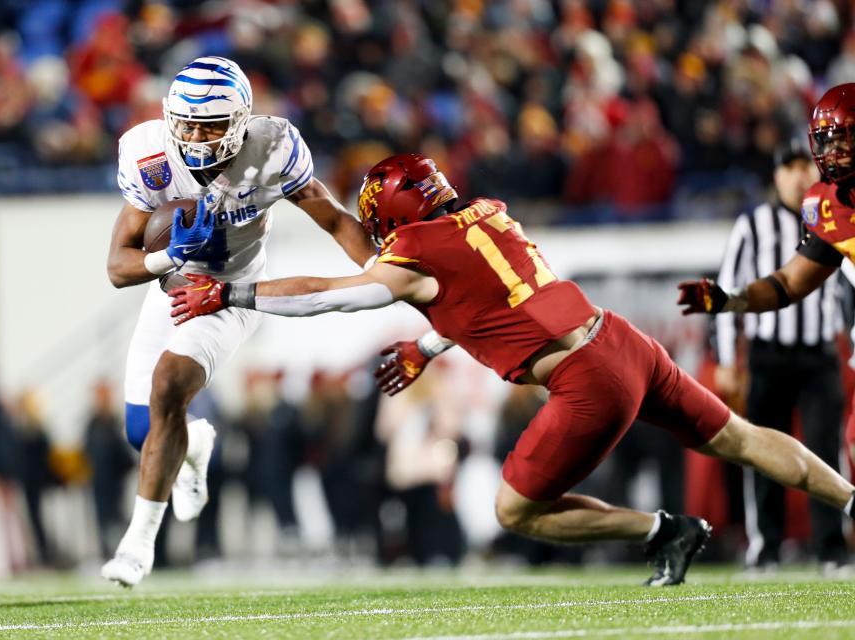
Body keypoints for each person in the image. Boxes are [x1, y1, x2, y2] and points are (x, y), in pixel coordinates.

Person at [167, 152, 855, 586]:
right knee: (739, 436)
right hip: (623, 340)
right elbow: (491, 303)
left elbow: (333, 298)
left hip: (587, 380)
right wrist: (429, 346)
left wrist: (232, 292)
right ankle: (852, 499)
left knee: (516, 510)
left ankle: (664, 531)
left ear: (396, 218)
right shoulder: (486, 214)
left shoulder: (419, 254)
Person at [101, 56, 376, 587]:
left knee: (167, 386)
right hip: (172, 289)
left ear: (243, 120)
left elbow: (333, 217)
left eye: (211, 124)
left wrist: (380, 268)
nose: (198, 137)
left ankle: (137, 545)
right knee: (143, 431)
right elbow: (118, 267)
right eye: (188, 123)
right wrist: (168, 257)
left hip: (228, 294)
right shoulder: (147, 153)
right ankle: (196, 443)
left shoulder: (273, 147)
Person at [713, 139, 849, 571]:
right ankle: (765, 547)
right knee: (763, 451)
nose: (797, 175)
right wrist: (725, 359)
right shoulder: (754, 223)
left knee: (828, 449)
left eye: (802, 166)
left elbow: (846, 287)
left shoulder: (835, 216)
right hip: (769, 353)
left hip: (819, 352)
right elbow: (730, 288)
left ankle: (832, 547)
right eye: (787, 167)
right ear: (775, 176)